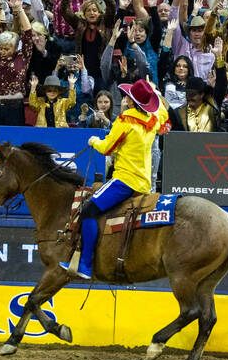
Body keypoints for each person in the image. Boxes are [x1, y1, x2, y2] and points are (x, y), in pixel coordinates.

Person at [65, 78, 169, 280]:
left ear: (130, 101)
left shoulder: (125, 120)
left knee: (88, 211)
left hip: (124, 181)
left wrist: (94, 140)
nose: (125, 99)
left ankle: (85, 264)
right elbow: (163, 109)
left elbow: (106, 149)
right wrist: (154, 93)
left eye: (127, 97)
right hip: (144, 183)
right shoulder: (154, 119)